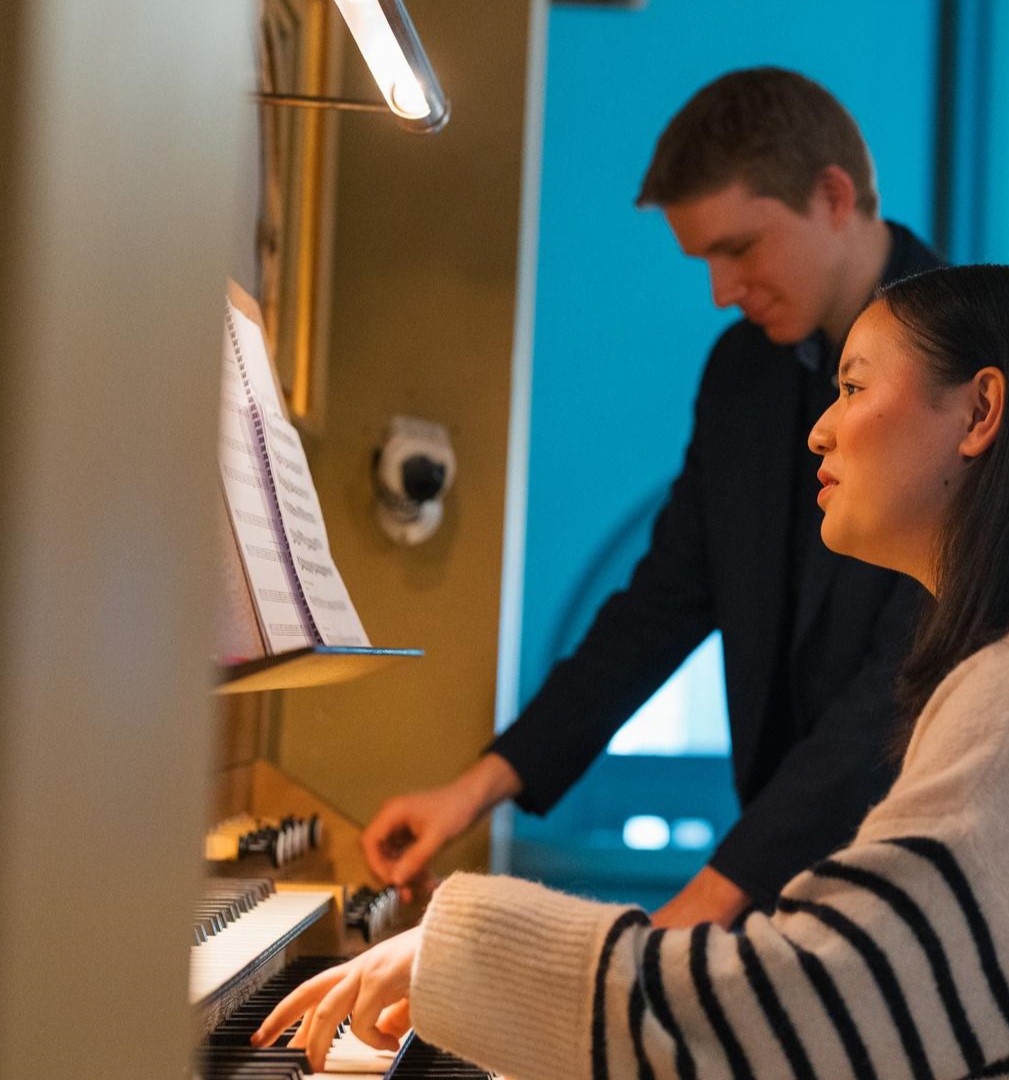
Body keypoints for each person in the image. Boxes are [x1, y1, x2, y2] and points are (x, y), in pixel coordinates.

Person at [254, 265, 1009, 1080]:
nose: (818, 425)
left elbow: (821, 1006)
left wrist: (462, 949)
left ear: (979, 414)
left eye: (854, 387)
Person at [363, 68, 942, 929]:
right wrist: (480, 786)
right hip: (782, 875)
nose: (719, 289)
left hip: (919, 869)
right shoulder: (742, 372)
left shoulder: (958, 362)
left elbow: (906, 681)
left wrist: (708, 900)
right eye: (703, 258)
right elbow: (664, 601)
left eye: (739, 247)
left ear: (833, 195)